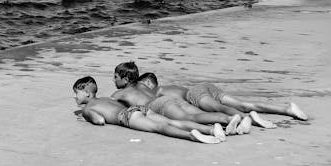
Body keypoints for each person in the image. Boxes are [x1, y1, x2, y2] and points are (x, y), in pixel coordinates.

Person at [73, 76, 225, 144]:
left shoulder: (88, 108)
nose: (75, 97)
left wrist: (87, 117)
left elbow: (99, 121)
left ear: (87, 93)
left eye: (76, 93)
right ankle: (210, 130)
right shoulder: (105, 98)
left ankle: (191, 136)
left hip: (126, 116)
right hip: (137, 109)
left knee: (159, 127)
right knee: (173, 122)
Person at [110, 63, 247, 135]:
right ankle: (231, 119)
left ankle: (228, 120)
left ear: (126, 79)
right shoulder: (142, 86)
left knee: (189, 118)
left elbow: (113, 108)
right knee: (198, 114)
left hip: (158, 104)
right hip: (169, 99)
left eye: (116, 77)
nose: (113, 80)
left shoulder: (119, 94)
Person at [137, 72, 308, 128]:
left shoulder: (157, 91)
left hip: (195, 95)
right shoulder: (170, 87)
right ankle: (286, 109)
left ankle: (249, 119)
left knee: (219, 108)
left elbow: (150, 104)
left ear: (147, 82)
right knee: (243, 104)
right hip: (204, 88)